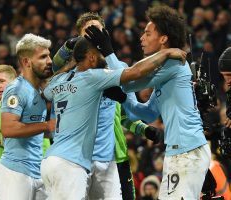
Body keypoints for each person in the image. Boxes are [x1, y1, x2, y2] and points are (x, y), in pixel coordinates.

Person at [85, 5, 211, 200]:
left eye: (147, 33)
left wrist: (108, 50)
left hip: (186, 151)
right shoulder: (165, 70)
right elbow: (146, 114)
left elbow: (130, 81)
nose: (141, 38)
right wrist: (123, 99)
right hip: (179, 151)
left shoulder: (174, 63)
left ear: (163, 38)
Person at [41, 36, 186, 199]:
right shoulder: (93, 77)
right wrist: (165, 53)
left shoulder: (58, 81)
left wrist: (70, 64)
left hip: (52, 160)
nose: (105, 58)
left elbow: (47, 87)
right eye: (101, 54)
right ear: (92, 57)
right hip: (70, 163)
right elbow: (136, 72)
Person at [52, 12, 155, 199]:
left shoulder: (119, 68)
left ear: (105, 33)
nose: (94, 36)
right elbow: (53, 68)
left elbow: (127, 115)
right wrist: (69, 45)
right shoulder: (71, 75)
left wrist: (144, 130)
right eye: (87, 33)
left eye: (97, 30)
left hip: (114, 155)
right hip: (76, 157)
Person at [0, 33, 55, 200]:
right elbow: (8, 128)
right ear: (27, 62)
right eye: (43, 57)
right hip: (15, 172)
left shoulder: (38, 88)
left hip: (36, 171)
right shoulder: (17, 89)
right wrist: (47, 125)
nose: (49, 61)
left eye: (49, 55)